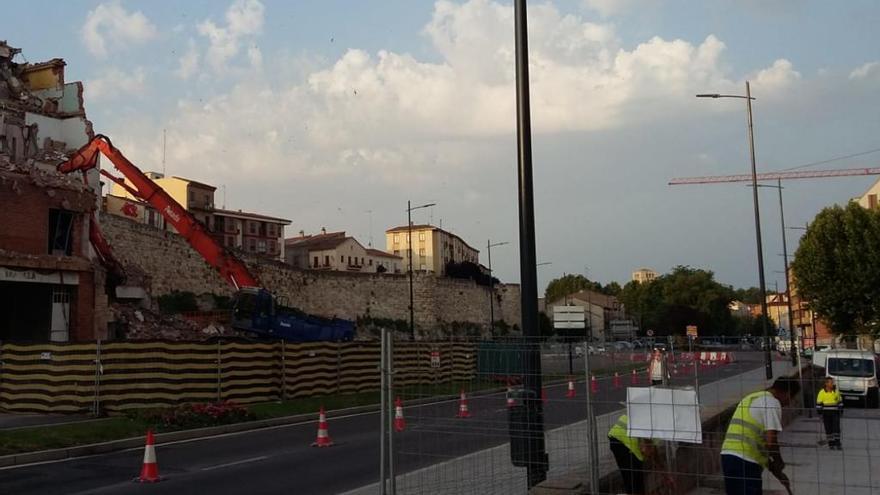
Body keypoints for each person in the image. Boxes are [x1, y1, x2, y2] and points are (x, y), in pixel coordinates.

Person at [720, 376, 800, 495]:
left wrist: (777, 472)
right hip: (746, 462)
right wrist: (779, 461)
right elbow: (771, 441)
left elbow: (758, 445)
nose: (788, 403)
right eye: (791, 399)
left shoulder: (751, 398)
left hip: (728, 457)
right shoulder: (772, 403)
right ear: (788, 394)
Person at [608, 413, 669, 495]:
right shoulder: (658, 426)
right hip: (625, 443)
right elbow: (649, 449)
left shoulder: (652, 415)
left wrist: (663, 473)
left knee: (632, 479)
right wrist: (664, 474)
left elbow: (651, 450)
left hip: (617, 438)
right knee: (635, 481)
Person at [816, 376, 843, 449]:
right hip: (826, 414)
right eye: (831, 383)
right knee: (828, 429)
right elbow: (819, 404)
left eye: (832, 382)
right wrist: (820, 413)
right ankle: (831, 444)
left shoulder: (836, 392)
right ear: (826, 384)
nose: (832, 384)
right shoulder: (821, 392)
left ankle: (838, 443)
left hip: (835, 413)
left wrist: (841, 410)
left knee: (836, 428)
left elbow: (840, 402)